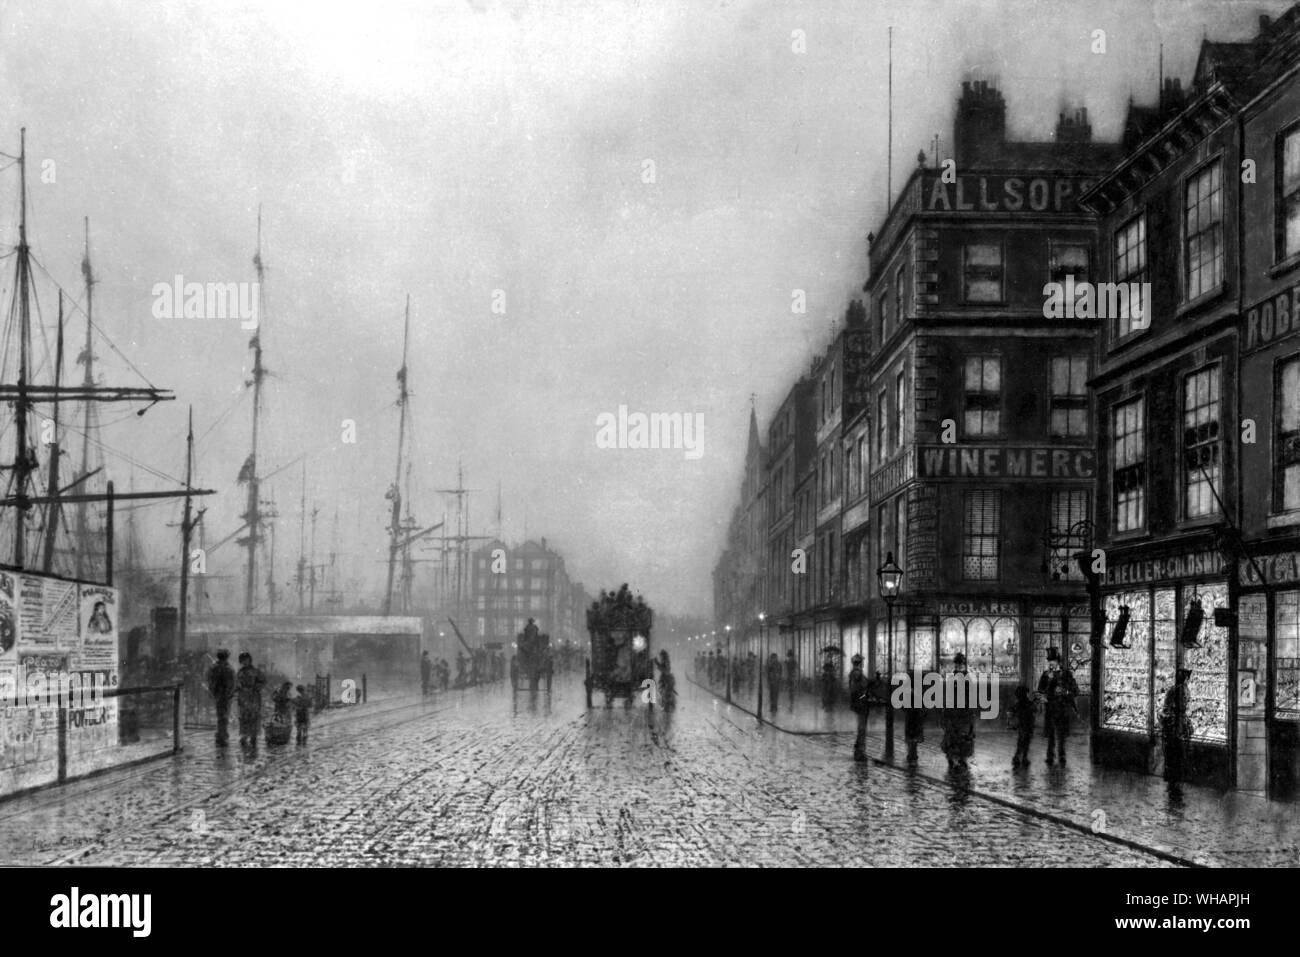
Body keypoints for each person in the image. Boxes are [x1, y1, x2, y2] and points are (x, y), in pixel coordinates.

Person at [1038, 648, 1079, 765]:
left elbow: (1075, 690)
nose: (1051, 663)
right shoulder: (1045, 675)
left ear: (1058, 661)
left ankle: (1062, 756)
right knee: (1051, 734)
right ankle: (1050, 756)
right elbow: (1040, 690)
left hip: (1062, 708)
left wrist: (1065, 691)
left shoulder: (1066, 674)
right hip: (1050, 708)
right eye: (1049, 660)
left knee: (1061, 735)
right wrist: (1043, 695)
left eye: (1053, 660)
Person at [940, 653, 976, 770]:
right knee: (959, 734)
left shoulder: (955, 678)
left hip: (958, 710)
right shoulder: (963, 678)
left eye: (960, 663)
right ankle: (958, 758)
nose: (959, 666)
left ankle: (956, 757)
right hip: (959, 710)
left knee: (956, 734)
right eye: (958, 663)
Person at [1161, 668, 1193, 783]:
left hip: (1176, 726)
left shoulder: (1178, 690)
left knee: (1174, 752)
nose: (1188, 681)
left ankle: (1173, 776)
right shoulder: (1179, 690)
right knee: (1176, 752)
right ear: (1185, 679)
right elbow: (1170, 709)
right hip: (1175, 726)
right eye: (1187, 678)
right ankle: (1174, 777)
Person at [235, 652, 265, 747]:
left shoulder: (256, 671)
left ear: (250, 660)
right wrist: (237, 688)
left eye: (246, 660)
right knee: (243, 717)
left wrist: (256, 687)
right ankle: (244, 736)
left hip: (253, 698)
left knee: (253, 717)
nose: (244, 662)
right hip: (243, 698)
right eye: (242, 661)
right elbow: (236, 683)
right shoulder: (240, 672)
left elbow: (263, 681)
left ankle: (253, 736)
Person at [207, 650, 236, 747]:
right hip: (225, 695)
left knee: (221, 716)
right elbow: (232, 683)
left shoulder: (214, 668)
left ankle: (221, 736)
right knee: (224, 717)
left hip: (219, 694)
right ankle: (222, 737)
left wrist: (212, 692)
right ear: (226, 657)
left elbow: (210, 681)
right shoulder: (228, 668)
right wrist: (231, 693)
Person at [848, 654, 870, 762]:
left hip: (859, 703)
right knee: (862, 728)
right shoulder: (857, 674)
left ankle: (858, 749)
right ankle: (860, 752)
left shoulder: (854, 673)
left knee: (861, 727)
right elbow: (857, 690)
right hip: (861, 703)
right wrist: (864, 696)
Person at [1010, 685, 1036, 769]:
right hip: (1027, 724)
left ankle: (1018, 757)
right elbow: (1033, 710)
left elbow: (1014, 710)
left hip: (1024, 724)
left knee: (1022, 741)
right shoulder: (1026, 702)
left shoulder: (1020, 703)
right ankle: (1022, 758)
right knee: (1025, 741)